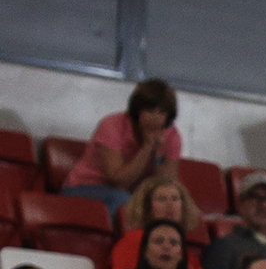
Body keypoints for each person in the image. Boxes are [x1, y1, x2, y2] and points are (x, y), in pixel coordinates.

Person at [60, 78, 182, 211]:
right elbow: (119, 182)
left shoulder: (172, 135)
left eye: (162, 112)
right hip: (85, 187)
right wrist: (147, 147)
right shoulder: (112, 125)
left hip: (131, 195)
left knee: (172, 207)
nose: (155, 117)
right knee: (123, 201)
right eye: (150, 111)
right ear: (138, 110)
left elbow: (167, 186)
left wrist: (158, 154)